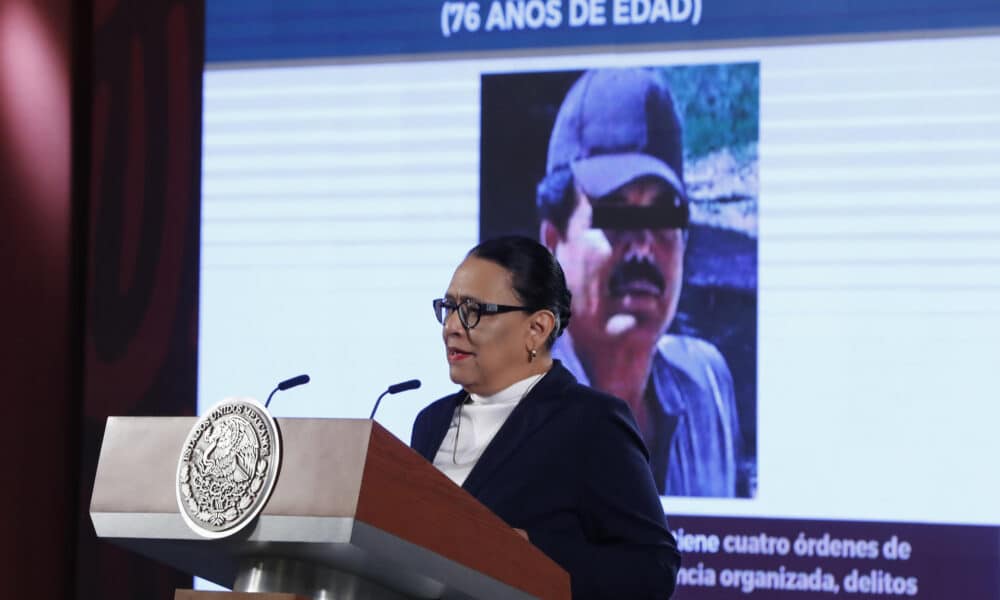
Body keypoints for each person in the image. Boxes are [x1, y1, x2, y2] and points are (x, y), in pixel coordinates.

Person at [411, 236, 680, 599]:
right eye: (449, 307)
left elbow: (653, 570)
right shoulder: (431, 422)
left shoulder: (591, 423)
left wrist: (532, 551)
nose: (452, 327)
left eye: (472, 310)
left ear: (536, 328)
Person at [536, 67, 743, 497]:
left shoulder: (709, 390)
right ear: (553, 244)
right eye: (615, 213)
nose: (644, 248)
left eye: (664, 213)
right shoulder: (511, 422)